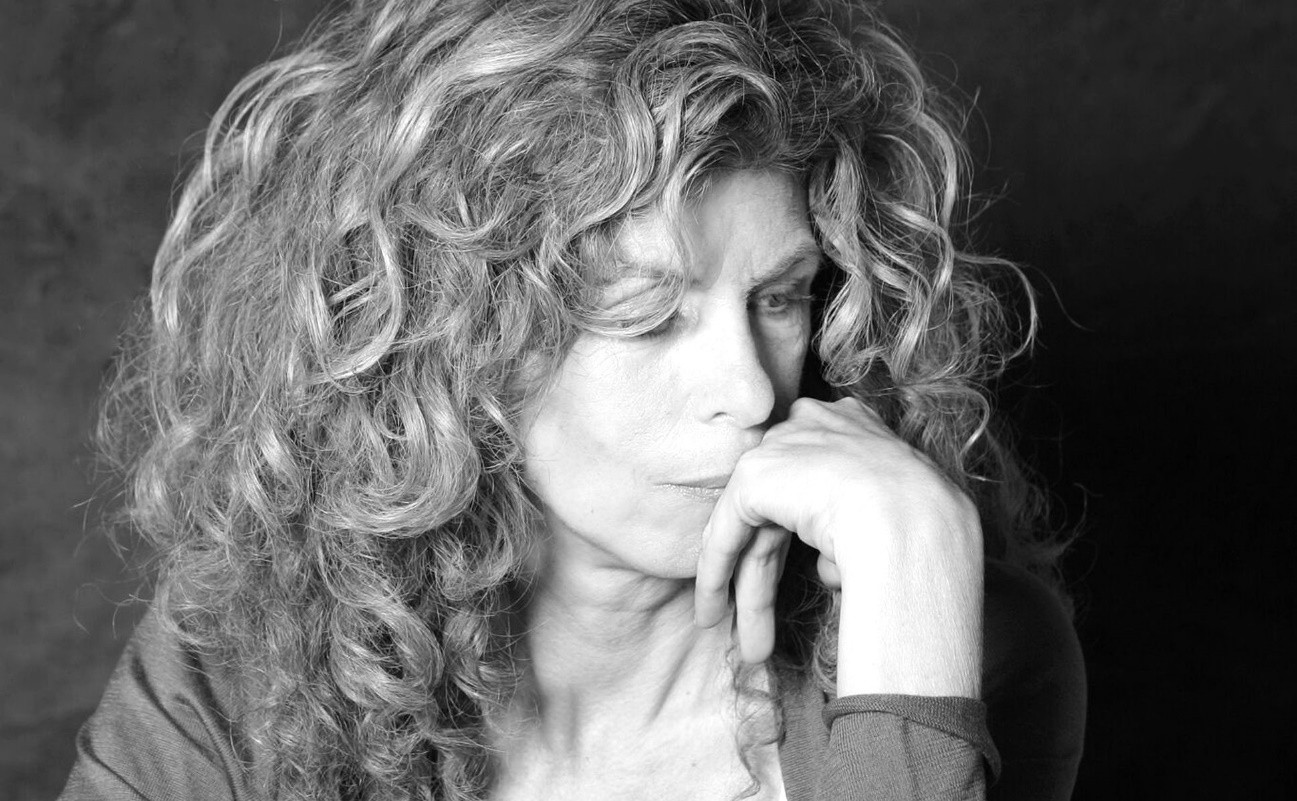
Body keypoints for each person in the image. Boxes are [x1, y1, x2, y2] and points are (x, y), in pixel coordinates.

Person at [61, 0, 1086, 799]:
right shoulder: (243, 659)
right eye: (647, 313)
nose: (747, 390)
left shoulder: (943, 635)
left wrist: (914, 595)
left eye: (778, 298)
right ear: (452, 342)